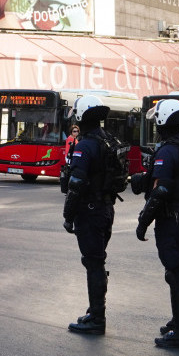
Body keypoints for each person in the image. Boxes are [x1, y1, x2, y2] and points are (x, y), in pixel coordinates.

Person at [135, 99, 179, 349]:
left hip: (172, 218)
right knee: (178, 270)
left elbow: (161, 189)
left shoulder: (167, 150)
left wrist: (143, 221)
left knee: (177, 273)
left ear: (164, 121)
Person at [62, 95, 119, 335]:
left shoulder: (85, 145)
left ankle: (97, 318)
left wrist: (68, 215)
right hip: (106, 209)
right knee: (97, 261)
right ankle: (95, 310)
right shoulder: (109, 140)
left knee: (93, 263)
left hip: (90, 211)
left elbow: (76, 183)